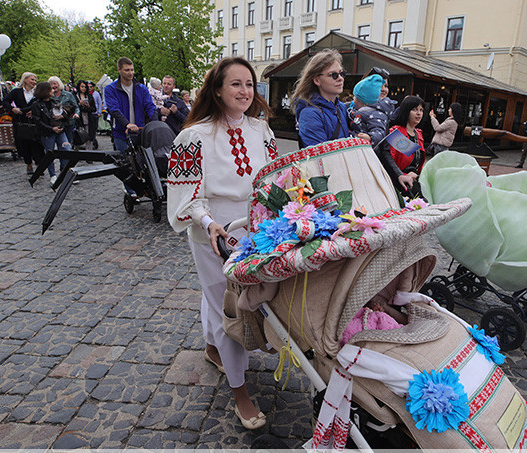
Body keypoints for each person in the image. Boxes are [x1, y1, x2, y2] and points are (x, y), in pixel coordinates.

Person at [167, 57, 278, 430]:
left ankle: (212, 348)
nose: (245, 91)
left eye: (249, 84)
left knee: (218, 295)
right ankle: (240, 393)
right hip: (213, 232)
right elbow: (185, 196)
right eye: (235, 84)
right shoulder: (192, 137)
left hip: (256, 228)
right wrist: (209, 223)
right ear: (216, 90)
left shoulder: (263, 130)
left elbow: (273, 180)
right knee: (228, 307)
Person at [104, 57, 157, 196]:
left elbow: (149, 106)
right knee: (126, 163)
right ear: (119, 70)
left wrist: (154, 121)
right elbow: (114, 109)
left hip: (139, 130)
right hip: (121, 132)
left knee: (142, 161)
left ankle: (145, 188)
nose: (130, 73)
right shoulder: (111, 89)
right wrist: (126, 123)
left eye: (132, 70)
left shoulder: (141, 88)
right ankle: (130, 190)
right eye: (127, 70)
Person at [291, 49, 351, 148]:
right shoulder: (310, 114)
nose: (340, 78)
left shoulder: (341, 107)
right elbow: (321, 156)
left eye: (342, 73)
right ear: (317, 80)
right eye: (334, 75)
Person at [379, 95, 426, 199]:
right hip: (401, 183)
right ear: (406, 111)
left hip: (415, 180)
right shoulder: (397, 132)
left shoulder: (418, 134)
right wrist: (404, 174)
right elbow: (390, 162)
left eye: (421, 110)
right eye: (414, 109)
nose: (419, 113)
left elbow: (416, 162)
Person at [30, 81, 72, 185]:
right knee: (50, 153)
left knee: (66, 149)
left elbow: (64, 114)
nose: (52, 90)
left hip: (59, 130)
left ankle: (65, 172)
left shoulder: (54, 102)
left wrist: (62, 116)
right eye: (50, 89)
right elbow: (37, 121)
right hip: (47, 132)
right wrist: (51, 128)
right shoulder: (36, 105)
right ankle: (52, 175)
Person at [2, 72, 43, 175]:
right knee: (24, 143)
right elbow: (5, 101)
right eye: (32, 79)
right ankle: (28, 164)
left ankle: (39, 165)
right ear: (25, 80)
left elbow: (42, 104)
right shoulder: (16, 92)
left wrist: (33, 110)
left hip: (34, 121)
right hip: (20, 121)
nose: (34, 82)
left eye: (35, 80)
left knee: (37, 144)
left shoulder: (37, 93)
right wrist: (13, 109)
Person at [48, 76, 80, 151]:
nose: (53, 86)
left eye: (55, 84)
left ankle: (65, 161)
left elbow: (76, 107)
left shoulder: (68, 95)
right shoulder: (49, 96)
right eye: (51, 84)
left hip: (68, 123)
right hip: (54, 124)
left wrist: (76, 114)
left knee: (67, 145)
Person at [74, 80, 96, 149]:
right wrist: (79, 104)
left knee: (89, 136)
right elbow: (72, 107)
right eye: (82, 87)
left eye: (85, 87)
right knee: (78, 136)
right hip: (78, 119)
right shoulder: (75, 96)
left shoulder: (89, 96)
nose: (83, 88)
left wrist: (88, 106)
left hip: (88, 118)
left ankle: (89, 152)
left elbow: (94, 108)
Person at [88, 81, 102, 149]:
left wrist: (99, 112)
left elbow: (99, 103)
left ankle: (93, 140)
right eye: (88, 87)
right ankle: (90, 141)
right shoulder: (86, 94)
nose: (90, 88)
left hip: (95, 113)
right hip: (89, 113)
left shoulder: (96, 94)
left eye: (91, 87)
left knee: (95, 128)